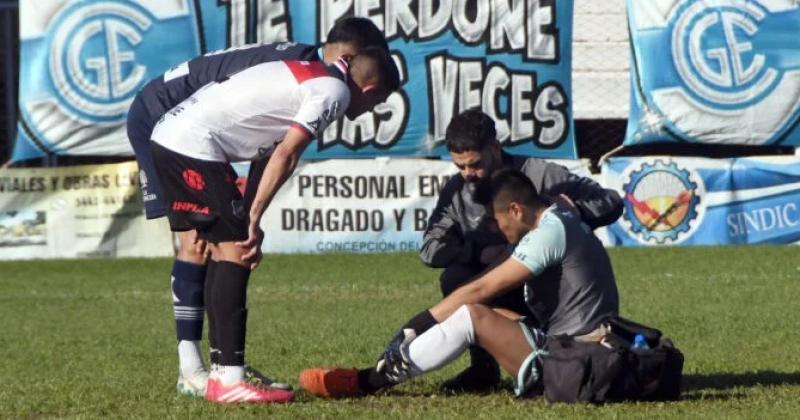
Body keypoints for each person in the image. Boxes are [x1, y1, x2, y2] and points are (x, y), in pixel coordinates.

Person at [125, 17, 390, 397]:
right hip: (161, 114)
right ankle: (194, 369)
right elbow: (275, 146)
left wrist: (249, 216)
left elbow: (264, 144)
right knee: (198, 245)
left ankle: (223, 363)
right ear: (351, 57)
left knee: (228, 239)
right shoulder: (319, 79)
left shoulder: (305, 67)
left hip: (195, 130)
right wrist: (246, 220)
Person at [298, 168, 620, 399]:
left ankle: (369, 381)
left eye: (497, 219)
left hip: (577, 363)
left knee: (472, 315)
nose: (496, 227)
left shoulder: (548, 232)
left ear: (516, 209)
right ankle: (387, 372)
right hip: (581, 350)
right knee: (479, 309)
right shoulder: (553, 221)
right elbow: (486, 283)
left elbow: (482, 288)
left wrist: (416, 325)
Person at [418, 109, 623, 393]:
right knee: (455, 277)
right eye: (460, 167)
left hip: (550, 287)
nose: (468, 174)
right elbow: (429, 248)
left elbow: (610, 201)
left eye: (474, 164)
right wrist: (477, 253)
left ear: (495, 147)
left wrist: (573, 212)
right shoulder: (457, 191)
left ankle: (556, 353)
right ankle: (483, 370)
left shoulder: (541, 174)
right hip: (501, 283)